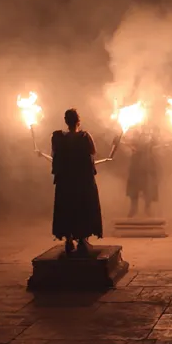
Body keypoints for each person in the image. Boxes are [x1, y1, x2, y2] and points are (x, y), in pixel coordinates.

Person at [41, 109, 103, 254]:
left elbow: (55, 153)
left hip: (66, 181)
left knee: (67, 207)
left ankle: (69, 239)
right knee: (82, 207)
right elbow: (93, 152)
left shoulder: (57, 137)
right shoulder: (84, 136)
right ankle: (81, 239)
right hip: (81, 181)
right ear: (78, 121)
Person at [125, 124, 162, 217]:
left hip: (148, 166)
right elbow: (127, 144)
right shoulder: (135, 136)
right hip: (136, 166)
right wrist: (130, 147)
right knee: (134, 188)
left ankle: (147, 208)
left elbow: (157, 145)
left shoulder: (152, 138)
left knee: (149, 188)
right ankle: (133, 209)